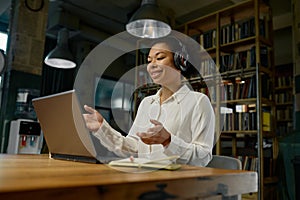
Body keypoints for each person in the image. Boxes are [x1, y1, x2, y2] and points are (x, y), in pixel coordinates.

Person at [83, 36, 215, 166]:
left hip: (178, 183)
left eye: (160, 58)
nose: (151, 65)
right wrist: (102, 128)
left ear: (180, 61)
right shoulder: (146, 103)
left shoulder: (199, 102)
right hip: (145, 178)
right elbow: (134, 148)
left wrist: (168, 141)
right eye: (149, 60)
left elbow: (203, 157)